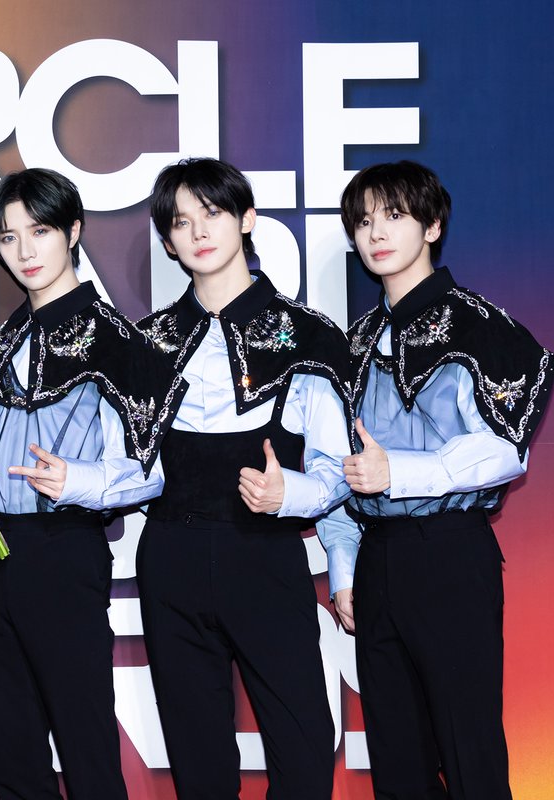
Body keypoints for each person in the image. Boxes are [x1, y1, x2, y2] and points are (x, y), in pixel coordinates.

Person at [0, 168, 186, 800]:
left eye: (40, 231)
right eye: (7, 238)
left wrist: (74, 480)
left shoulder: (120, 343)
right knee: (13, 749)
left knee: (85, 744)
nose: (24, 251)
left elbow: (152, 472)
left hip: (64, 550)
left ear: (73, 232)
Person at [136, 157, 357, 799]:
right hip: (171, 556)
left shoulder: (308, 335)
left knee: (303, 745)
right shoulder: (145, 343)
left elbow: (337, 468)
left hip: (264, 555)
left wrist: (292, 494)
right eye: (181, 222)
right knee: (197, 758)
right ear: (167, 242)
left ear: (247, 219)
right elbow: (130, 467)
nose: (199, 232)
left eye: (213, 213)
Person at [338, 160, 554, 799]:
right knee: (397, 762)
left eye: (394, 216)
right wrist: (346, 572)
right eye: (364, 222)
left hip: (450, 554)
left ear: (433, 226)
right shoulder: (354, 343)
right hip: (377, 562)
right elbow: (340, 469)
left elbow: (506, 450)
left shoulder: (480, 326)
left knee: (470, 753)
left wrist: (401, 471)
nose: (377, 233)